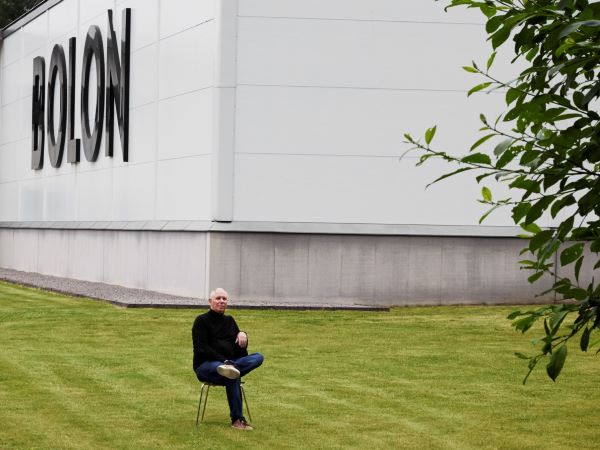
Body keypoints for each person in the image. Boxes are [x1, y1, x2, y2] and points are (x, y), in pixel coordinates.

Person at [192, 287, 264, 430]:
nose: (221, 301)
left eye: (224, 299)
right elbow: (202, 349)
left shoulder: (230, 321)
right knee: (232, 373)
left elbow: (242, 353)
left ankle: (230, 369)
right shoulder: (201, 321)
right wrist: (224, 362)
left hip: (230, 366)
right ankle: (237, 420)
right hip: (206, 366)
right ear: (210, 301)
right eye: (218, 298)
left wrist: (243, 335)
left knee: (257, 357)